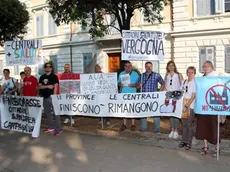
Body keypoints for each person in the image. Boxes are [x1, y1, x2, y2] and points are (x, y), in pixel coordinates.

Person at [196, 61, 220, 156]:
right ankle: (205, 146)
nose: (206, 68)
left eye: (208, 66)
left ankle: (217, 148)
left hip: (213, 107)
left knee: (214, 128)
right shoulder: (201, 79)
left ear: (212, 67)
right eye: (204, 66)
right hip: (203, 107)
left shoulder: (217, 78)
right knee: (203, 127)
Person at [138, 61, 164, 133]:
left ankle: (157, 129)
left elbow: (163, 83)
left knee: (155, 113)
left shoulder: (156, 75)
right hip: (144, 97)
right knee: (143, 113)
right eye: (147, 66)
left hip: (153, 98)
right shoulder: (141, 76)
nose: (148, 68)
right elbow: (137, 85)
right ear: (145, 67)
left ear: (152, 67)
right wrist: (138, 85)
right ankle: (143, 128)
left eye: (150, 66)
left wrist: (159, 92)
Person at [39, 62, 63, 136]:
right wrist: (47, 86)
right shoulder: (42, 77)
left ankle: (58, 129)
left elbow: (55, 87)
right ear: (45, 68)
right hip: (44, 97)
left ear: (52, 68)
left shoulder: (54, 76)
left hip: (52, 97)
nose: (48, 68)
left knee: (56, 113)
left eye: (49, 66)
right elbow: (39, 87)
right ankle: (50, 127)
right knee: (47, 113)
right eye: (46, 66)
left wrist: (54, 96)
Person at [163, 60, 183, 139]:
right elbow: (165, 85)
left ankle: (176, 131)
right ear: (167, 67)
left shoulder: (178, 75)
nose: (171, 67)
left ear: (174, 66)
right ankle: (172, 129)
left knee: (176, 113)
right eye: (169, 65)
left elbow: (182, 85)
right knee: (170, 113)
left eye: (172, 65)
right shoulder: (167, 75)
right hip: (168, 96)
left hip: (176, 96)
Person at [118, 61, 140, 131]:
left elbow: (139, 85)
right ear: (124, 67)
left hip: (132, 94)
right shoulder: (121, 73)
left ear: (131, 67)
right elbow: (118, 82)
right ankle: (124, 124)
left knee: (132, 109)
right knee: (124, 109)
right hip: (123, 94)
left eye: (129, 66)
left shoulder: (135, 74)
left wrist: (134, 85)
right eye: (126, 66)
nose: (128, 67)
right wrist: (120, 84)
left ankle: (133, 124)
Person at [179, 66, 196, 150]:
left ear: (194, 73)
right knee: (184, 124)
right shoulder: (184, 82)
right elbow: (180, 93)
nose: (190, 74)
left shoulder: (194, 82)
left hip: (190, 106)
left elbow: (193, 96)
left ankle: (189, 142)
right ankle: (184, 140)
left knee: (189, 125)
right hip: (182, 106)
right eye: (188, 72)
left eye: (192, 72)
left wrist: (186, 106)